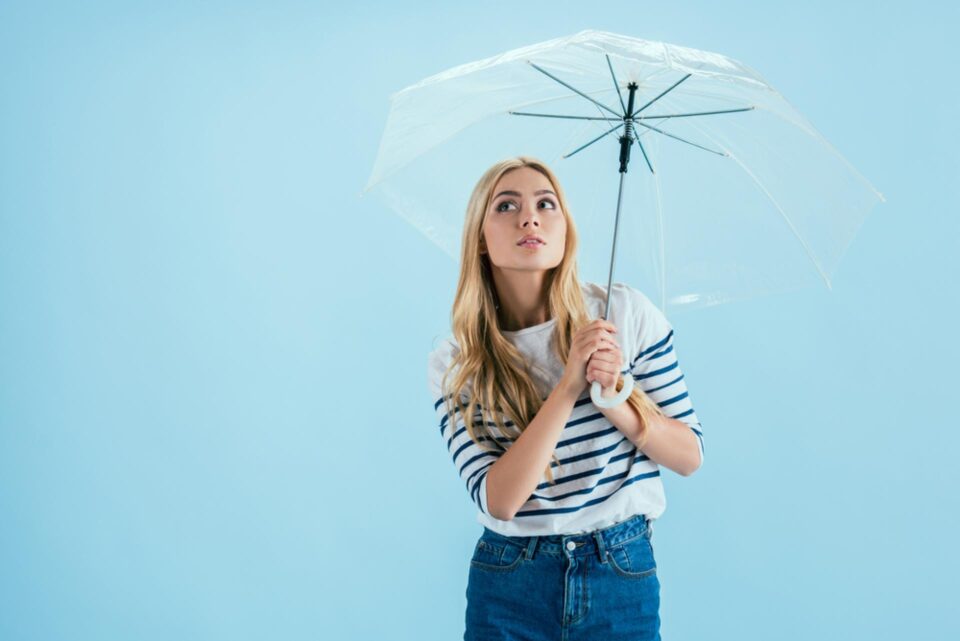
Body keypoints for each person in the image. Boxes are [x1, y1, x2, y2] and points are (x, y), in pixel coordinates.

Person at [426, 155, 704, 641]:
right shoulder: (456, 360)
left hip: (620, 573)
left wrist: (618, 398)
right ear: (480, 239)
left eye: (545, 203)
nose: (529, 217)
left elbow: (689, 456)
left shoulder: (623, 314)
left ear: (565, 229)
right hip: (511, 581)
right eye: (506, 205)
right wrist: (569, 385)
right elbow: (500, 502)